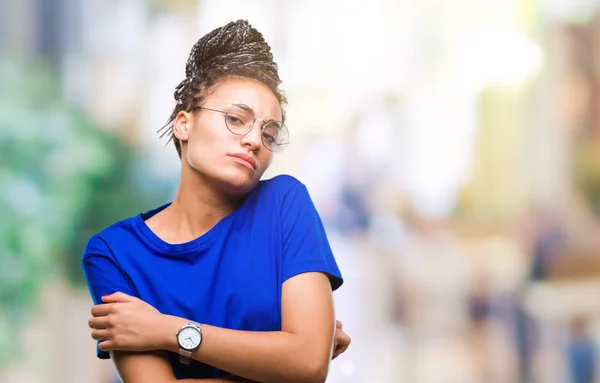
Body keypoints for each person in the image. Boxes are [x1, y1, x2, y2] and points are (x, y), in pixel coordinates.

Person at [82, 19, 351, 383]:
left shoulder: (285, 204)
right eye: (236, 119)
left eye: (269, 133)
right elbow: (303, 364)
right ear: (184, 124)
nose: (255, 140)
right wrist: (277, 360)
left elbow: (307, 365)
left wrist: (168, 331)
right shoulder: (115, 252)